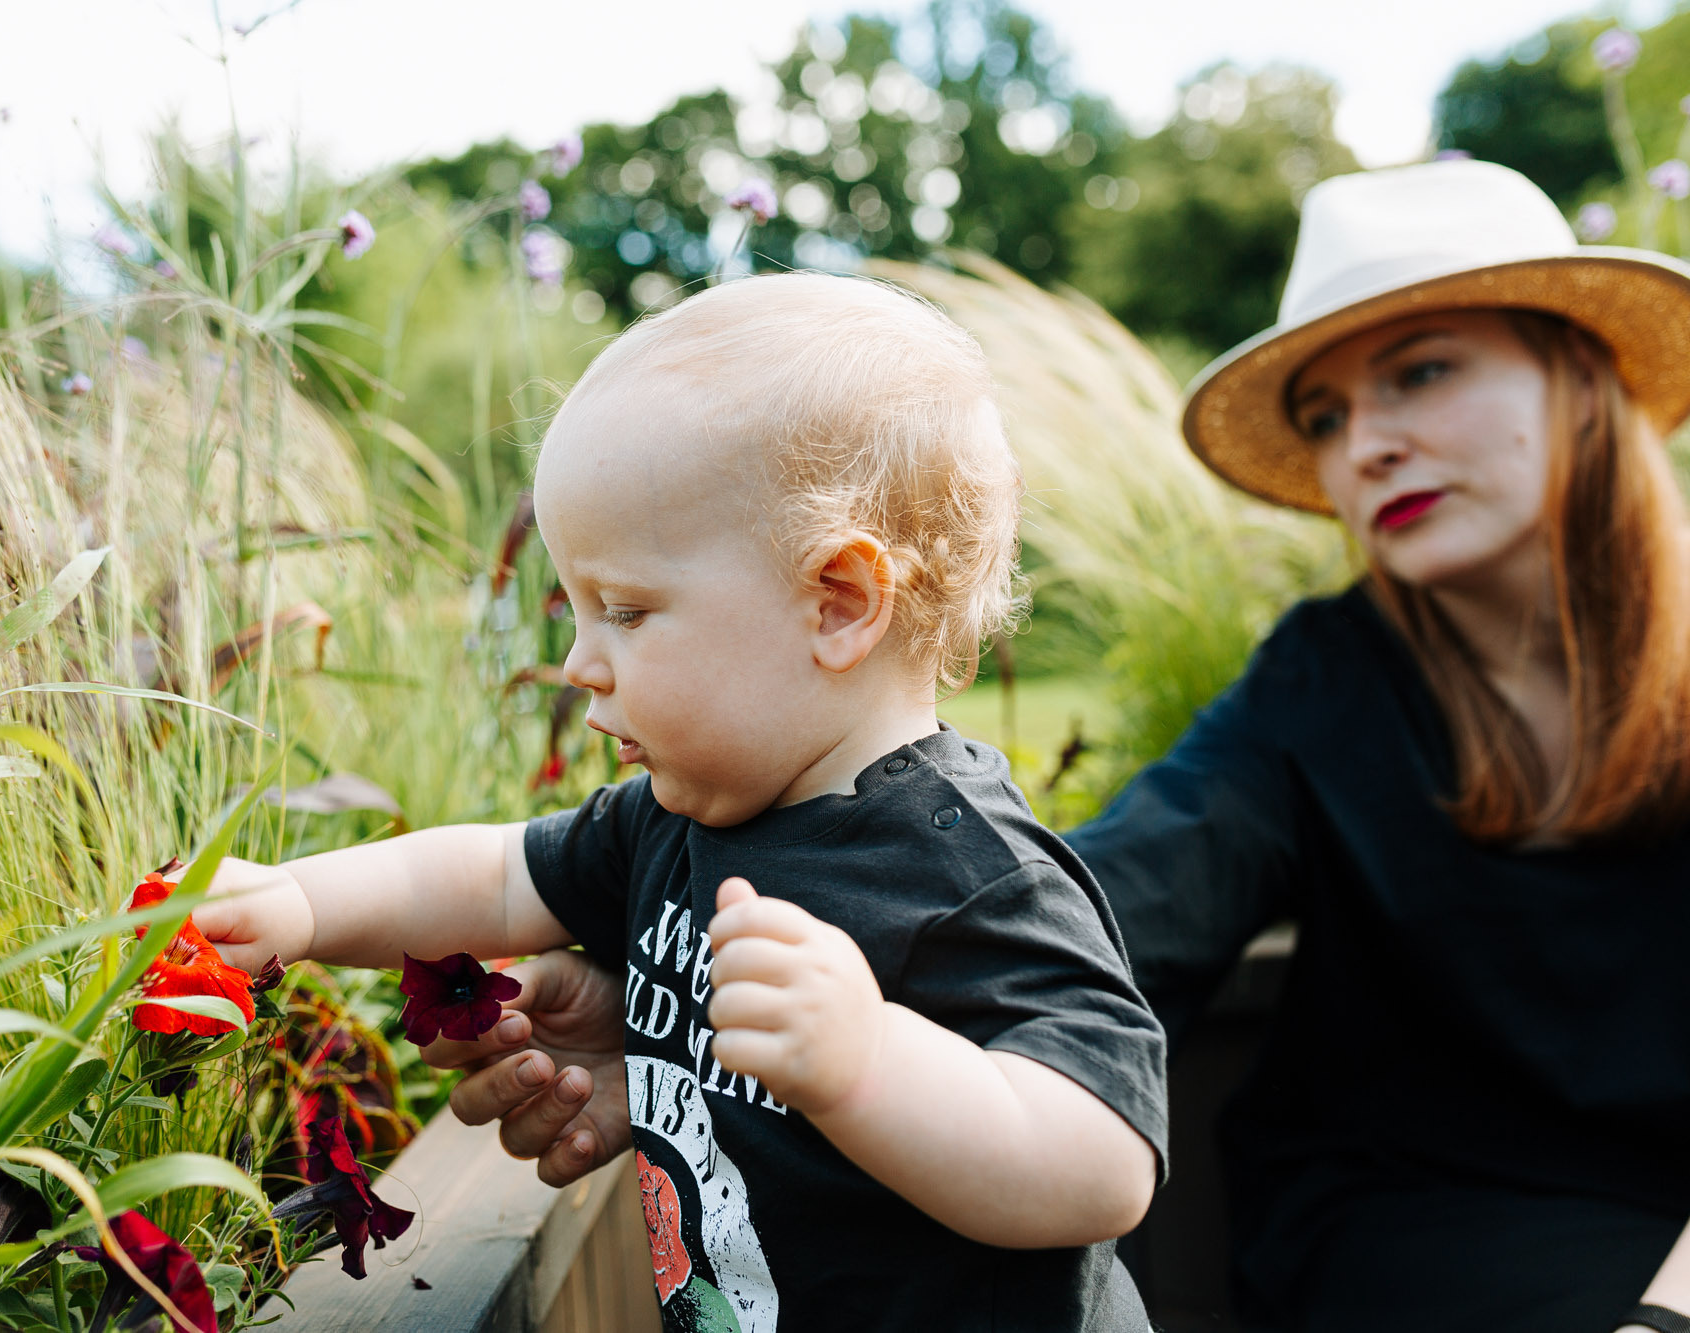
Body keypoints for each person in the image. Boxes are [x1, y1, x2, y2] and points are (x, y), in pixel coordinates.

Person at [425, 160, 1690, 1333]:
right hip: (1386, 1261)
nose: (1364, 440)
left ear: (1575, 375)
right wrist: (702, 1031)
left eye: (1420, 372)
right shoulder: (1321, 678)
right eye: (1324, 412)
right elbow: (1101, 903)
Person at [189, 274, 1169, 1331]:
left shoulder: (968, 873)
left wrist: (866, 1061)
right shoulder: (673, 821)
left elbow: (1103, 1161)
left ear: (837, 603)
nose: (578, 664)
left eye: (625, 609)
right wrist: (298, 906)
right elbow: (484, 872)